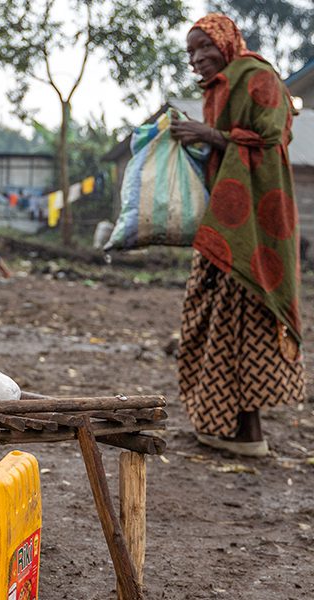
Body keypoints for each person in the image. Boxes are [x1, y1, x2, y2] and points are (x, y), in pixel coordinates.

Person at [171, 14, 303, 456]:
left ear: (226, 43)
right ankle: (222, 426)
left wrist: (210, 134)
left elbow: (269, 142)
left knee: (243, 319)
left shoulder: (258, 76)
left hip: (253, 227)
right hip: (221, 223)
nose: (196, 59)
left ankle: (249, 435)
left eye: (203, 48)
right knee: (210, 319)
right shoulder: (219, 88)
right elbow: (231, 142)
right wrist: (203, 137)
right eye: (190, 52)